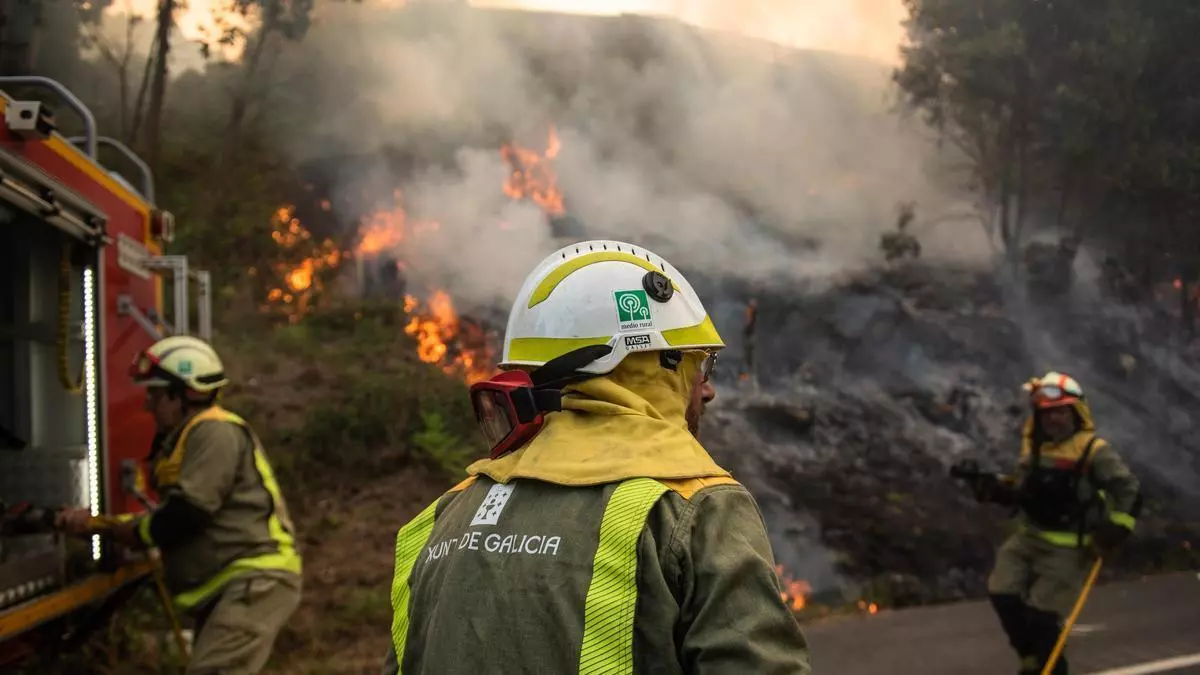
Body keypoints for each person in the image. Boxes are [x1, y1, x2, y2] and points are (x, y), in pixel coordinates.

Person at [382, 240, 812, 674]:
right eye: (697, 367)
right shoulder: (694, 508)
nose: (707, 389)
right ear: (650, 366)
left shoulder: (440, 519)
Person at [56, 335, 302, 675]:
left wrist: (129, 532)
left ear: (186, 394)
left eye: (155, 395)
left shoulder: (214, 432)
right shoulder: (191, 437)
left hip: (252, 579)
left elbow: (187, 513)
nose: (147, 406)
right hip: (234, 583)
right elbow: (170, 514)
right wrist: (98, 526)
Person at [959, 372, 1140, 675]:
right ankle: (1031, 658)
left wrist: (1115, 529)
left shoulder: (1093, 451)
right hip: (1027, 539)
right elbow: (1021, 487)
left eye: (1058, 411)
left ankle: (1050, 667)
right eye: (1045, 413)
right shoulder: (1035, 449)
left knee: (1044, 618)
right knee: (1003, 593)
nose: (1051, 419)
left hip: (1068, 550)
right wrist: (991, 486)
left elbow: (1128, 490)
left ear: (1075, 413)